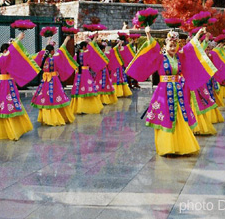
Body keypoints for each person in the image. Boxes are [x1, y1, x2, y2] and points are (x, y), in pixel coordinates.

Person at [126, 26, 216, 156]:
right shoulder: (160, 58)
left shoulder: (179, 57)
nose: (173, 48)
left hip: (178, 90)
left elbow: (190, 47)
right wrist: (148, 35)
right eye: (171, 45)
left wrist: (199, 34)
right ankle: (167, 146)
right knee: (166, 117)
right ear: (165, 46)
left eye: (175, 45)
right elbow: (152, 47)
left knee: (180, 115)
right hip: (163, 91)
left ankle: (180, 144)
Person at [0, 32, 40, 140]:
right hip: (6, 84)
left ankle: (5, 129)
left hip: (0, 85)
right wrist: (18, 38)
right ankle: (12, 130)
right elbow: (12, 50)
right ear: (6, 51)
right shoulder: (4, 58)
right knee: (8, 104)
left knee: (2, 104)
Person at [31, 36, 78, 126]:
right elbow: (62, 49)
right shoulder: (55, 58)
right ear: (52, 51)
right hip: (54, 81)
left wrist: (48, 42)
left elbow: (44, 51)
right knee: (56, 97)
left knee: (45, 98)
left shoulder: (42, 57)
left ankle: (46, 118)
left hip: (45, 81)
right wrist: (66, 39)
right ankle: (57, 117)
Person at [71, 36, 108, 114]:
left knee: (79, 89)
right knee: (88, 88)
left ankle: (78, 107)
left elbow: (74, 64)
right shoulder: (86, 53)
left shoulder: (76, 55)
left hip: (78, 74)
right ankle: (88, 107)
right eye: (86, 46)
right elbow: (92, 48)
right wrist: (94, 39)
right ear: (84, 47)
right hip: (85, 73)